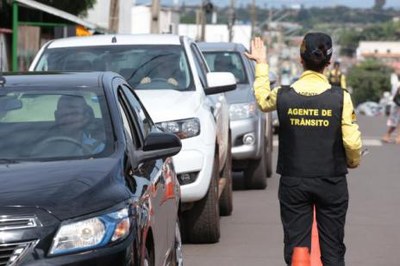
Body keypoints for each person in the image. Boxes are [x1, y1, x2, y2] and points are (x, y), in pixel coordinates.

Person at [245, 33, 362, 266]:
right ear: (329, 62)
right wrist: (352, 161)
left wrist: (261, 65)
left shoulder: (283, 95)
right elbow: (351, 143)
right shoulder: (341, 98)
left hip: (294, 181)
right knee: (333, 248)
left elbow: (261, 99)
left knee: (297, 246)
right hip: (331, 181)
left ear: (301, 59)